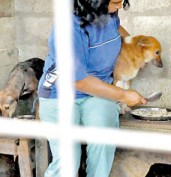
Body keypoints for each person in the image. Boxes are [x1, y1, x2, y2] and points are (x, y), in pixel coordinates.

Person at [37, 0, 147, 176]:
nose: (119, 6)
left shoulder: (109, 13)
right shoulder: (68, 25)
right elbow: (77, 79)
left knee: (103, 141)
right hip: (60, 93)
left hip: (98, 90)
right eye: (115, 2)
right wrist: (123, 95)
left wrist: (133, 47)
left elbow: (116, 29)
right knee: (68, 160)